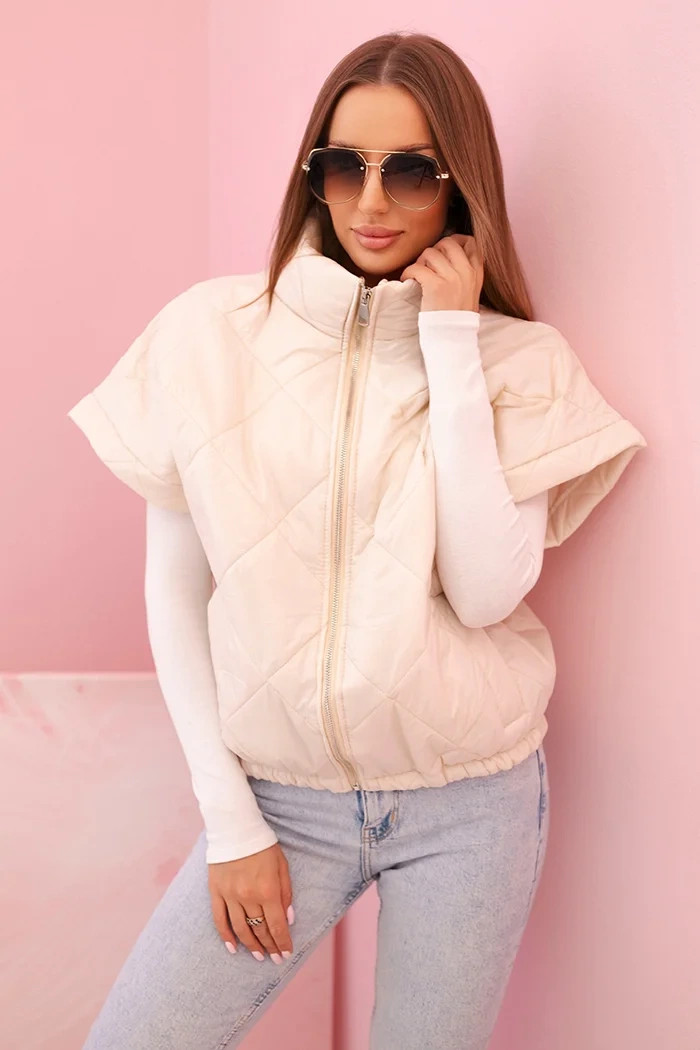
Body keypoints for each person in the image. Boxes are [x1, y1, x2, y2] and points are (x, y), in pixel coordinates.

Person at [67, 30, 647, 1050]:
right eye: (345, 166)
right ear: (316, 175)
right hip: (281, 802)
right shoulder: (210, 336)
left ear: (459, 183)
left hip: (469, 802)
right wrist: (233, 823)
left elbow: (485, 593)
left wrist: (450, 342)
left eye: (411, 171)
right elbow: (177, 591)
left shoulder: (518, 363)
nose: (372, 202)